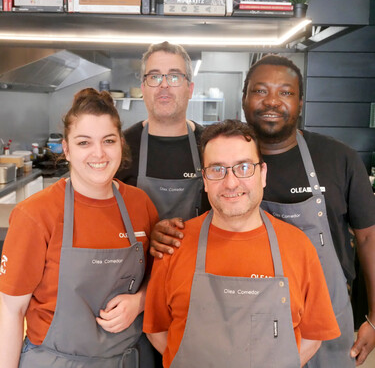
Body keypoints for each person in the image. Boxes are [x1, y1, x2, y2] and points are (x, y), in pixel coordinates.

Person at [151, 55, 375, 367]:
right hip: (238, 332)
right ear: (243, 98)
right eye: (259, 91)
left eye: (285, 92)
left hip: (322, 322)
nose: (272, 101)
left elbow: (368, 239)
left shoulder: (339, 158)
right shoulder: (222, 163)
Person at [143, 119, 340, 368]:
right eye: (217, 170)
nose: (231, 182)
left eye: (244, 167)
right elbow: (157, 330)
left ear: (263, 174)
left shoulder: (298, 248)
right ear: (204, 179)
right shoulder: (174, 245)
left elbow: (312, 336)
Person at [0, 88, 159, 367]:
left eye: (108, 140)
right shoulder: (36, 214)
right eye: (84, 142)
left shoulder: (139, 204)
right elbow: (11, 311)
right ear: (67, 148)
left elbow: (158, 276)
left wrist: (141, 301)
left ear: (120, 144)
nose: (98, 153)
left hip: (128, 359)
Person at [116, 41, 209, 222]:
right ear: (143, 88)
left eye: (174, 77)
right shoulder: (120, 147)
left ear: (190, 89)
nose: (164, 85)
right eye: (154, 77)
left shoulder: (210, 146)